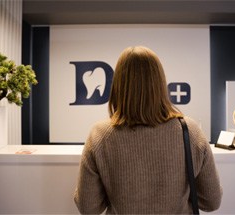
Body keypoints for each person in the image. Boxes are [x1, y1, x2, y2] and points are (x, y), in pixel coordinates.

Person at [74, 46, 223, 214]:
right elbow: (212, 201)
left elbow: (88, 207)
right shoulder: (190, 131)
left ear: (118, 85)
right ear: (160, 83)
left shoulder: (99, 135)